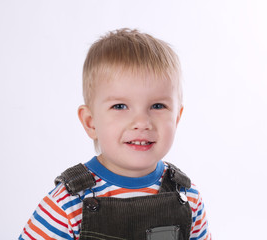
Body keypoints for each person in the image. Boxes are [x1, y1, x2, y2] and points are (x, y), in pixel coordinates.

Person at [19, 28, 211, 240]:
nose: (141, 122)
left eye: (157, 105)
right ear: (91, 122)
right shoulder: (68, 204)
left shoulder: (186, 197)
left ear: (176, 118)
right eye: (120, 106)